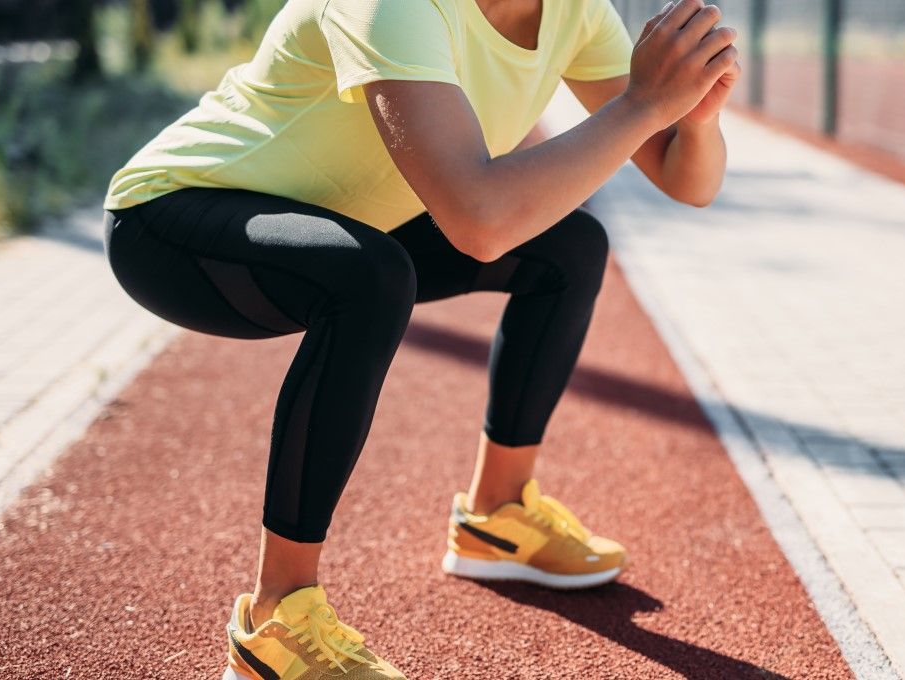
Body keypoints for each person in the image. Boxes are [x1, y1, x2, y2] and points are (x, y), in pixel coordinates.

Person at [102, 0, 737, 677]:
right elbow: (480, 219)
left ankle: (498, 514)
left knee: (570, 247)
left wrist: (693, 117)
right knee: (370, 277)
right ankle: (276, 616)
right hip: (173, 217)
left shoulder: (574, 11)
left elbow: (685, 178)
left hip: (343, 219)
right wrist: (641, 105)